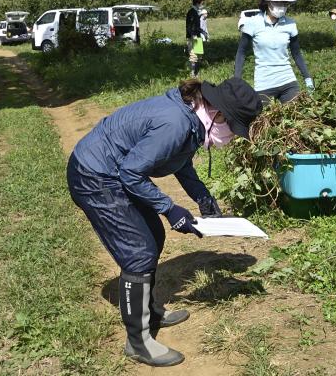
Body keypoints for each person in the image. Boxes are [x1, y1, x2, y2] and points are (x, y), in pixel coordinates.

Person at [67, 77, 262, 367]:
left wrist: (203, 198)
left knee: (154, 236)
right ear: (219, 115)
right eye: (234, 129)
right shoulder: (176, 123)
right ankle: (138, 342)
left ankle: (151, 312)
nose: (232, 137)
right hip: (95, 177)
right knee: (139, 252)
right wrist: (169, 209)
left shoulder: (190, 119)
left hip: (113, 172)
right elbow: (131, 173)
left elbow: (180, 161)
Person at [235, 0, 314, 105]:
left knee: (296, 118)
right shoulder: (253, 23)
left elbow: (296, 53)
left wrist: (307, 77)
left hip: (288, 81)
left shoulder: (290, 24)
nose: (282, 6)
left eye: (285, 3)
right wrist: (237, 79)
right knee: (264, 122)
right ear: (267, 2)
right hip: (264, 83)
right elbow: (241, 52)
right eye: (278, 2)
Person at [186, 0, 206, 77]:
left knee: (199, 54)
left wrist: (203, 32)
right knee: (193, 55)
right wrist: (192, 35)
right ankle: (192, 73)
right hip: (193, 37)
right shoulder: (191, 12)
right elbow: (189, 26)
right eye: (202, 3)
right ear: (198, 3)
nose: (202, 5)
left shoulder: (196, 12)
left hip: (197, 36)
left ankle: (196, 72)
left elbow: (197, 26)